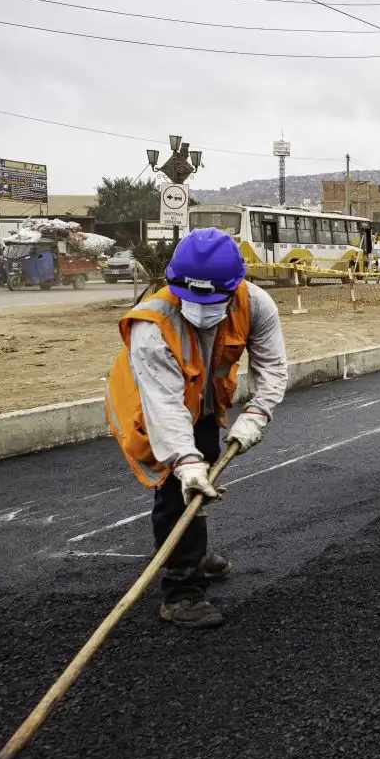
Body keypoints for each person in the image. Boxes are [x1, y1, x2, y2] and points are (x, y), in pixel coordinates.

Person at [104, 228, 288, 629]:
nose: (202, 308)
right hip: (149, 404)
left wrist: (257, 414)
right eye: (192, 298)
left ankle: (192, 548)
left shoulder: (255, 304)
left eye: (213, 299)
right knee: (177, 488)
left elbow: (271, 366)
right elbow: (165, 406)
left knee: (200, 481)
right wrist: (185, 463)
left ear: (235, 285)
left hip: (203, 404)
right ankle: (181, 592)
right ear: (173, 283)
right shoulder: (151, 325)